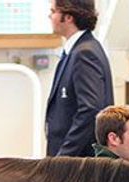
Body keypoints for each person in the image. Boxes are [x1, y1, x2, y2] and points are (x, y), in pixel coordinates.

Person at [45, 0, 113, 157]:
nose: (50, 16)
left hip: (78, 164)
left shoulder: (84, 53)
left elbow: (90, 109)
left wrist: (65, 155)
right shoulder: (76, 51)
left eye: (53, 11)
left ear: (68, 17)